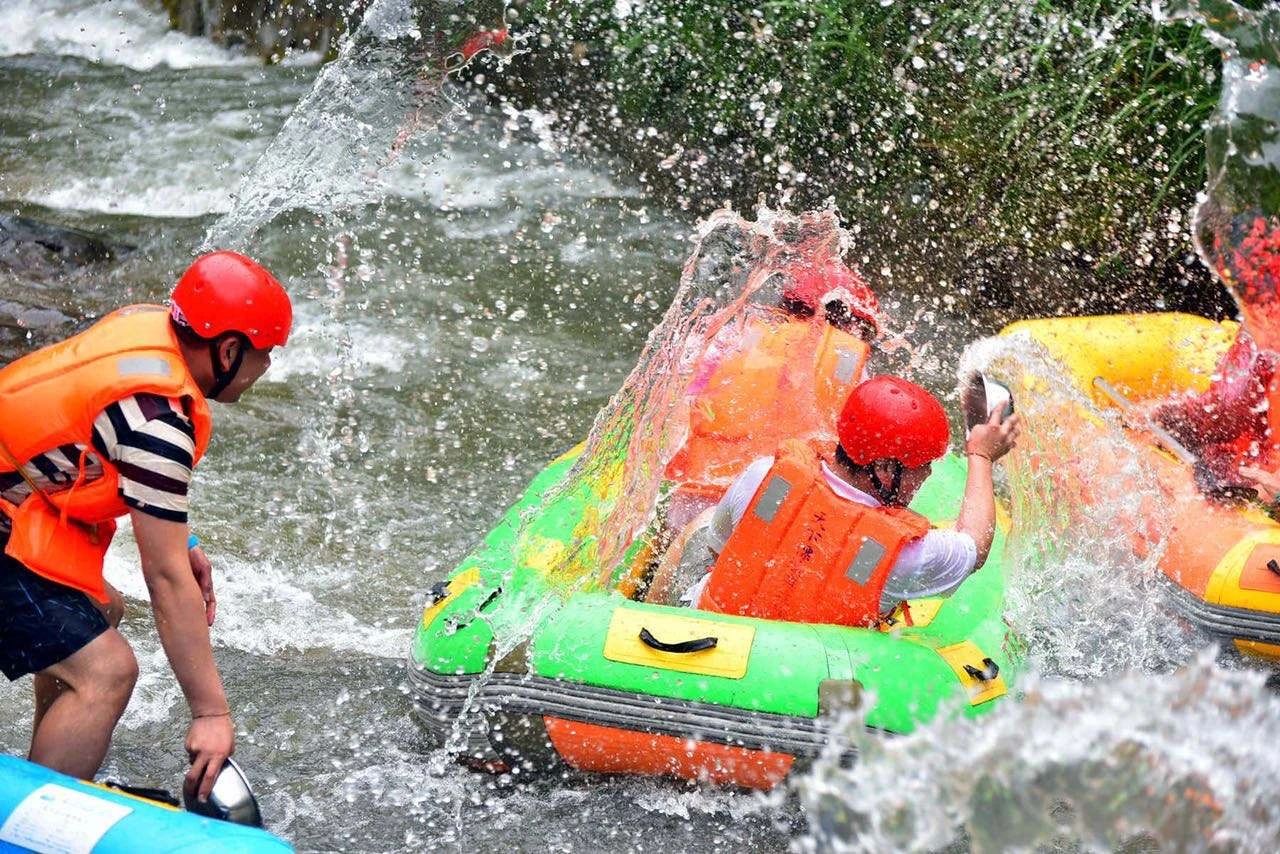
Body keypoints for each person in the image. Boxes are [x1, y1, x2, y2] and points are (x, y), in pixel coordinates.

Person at [0, 250, 291, 801]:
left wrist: (188, 539)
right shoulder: (158, 423)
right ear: (228, 350)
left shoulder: (144, 325)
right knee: (107, 671)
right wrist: (210, 713)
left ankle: (53, 766)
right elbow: (165, 579)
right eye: (264, 354)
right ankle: (36, 814)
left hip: (11, 504)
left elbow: (110, 455)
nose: (266, 368)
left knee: (99, 610)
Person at [675, 375, 1020, 626]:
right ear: (884, 468)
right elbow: (975, 545)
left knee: (698, 527)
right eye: (921, 467)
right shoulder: (903, 554)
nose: (927, 476)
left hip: (710, 645)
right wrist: (981, 457)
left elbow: (718, 551)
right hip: (803, 687)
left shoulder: (762, 476)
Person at [665, 258, 881, 507]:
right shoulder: (847, 360)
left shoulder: (735, 336)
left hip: (691, 495)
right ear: (851, 324)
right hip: (772, 506)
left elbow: (679, 405)